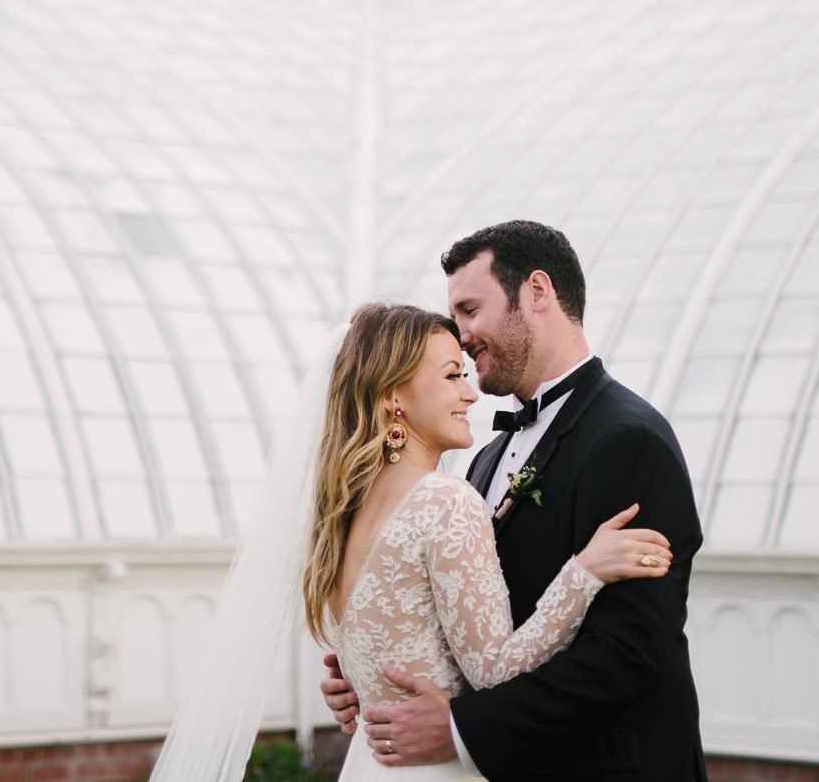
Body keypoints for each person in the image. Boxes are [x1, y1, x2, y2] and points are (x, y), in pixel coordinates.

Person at [145, 295, 672, 782]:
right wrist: (584, 573)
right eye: (450, 376)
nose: (470, 392)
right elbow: (494, 671)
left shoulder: (338, 518)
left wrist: (355, 680)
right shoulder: (445, 500)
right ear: (394, 395)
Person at [322, 221, 707, 782]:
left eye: (470, 309)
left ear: (537, 292)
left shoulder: (630, 440)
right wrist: (374, 670)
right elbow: (458, 623)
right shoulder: (483, 459)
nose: (462, 333)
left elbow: (631, 651)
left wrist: (459, 726)